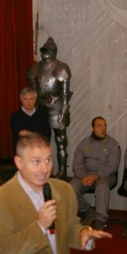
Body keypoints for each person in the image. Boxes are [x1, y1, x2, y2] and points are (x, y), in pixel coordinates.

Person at [27, 38, 72, 178]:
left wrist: (63, 111)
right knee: (41, 142)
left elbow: (64, 94)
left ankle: (62, 170)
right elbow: (33, 91)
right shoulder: (36, 68)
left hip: (56, 107)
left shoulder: (61, 68)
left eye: (47, 51)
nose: (45, 53)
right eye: (44, 50)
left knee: (60, 141)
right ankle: (43, 170)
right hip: (41, 107)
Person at [70, 117, 121, 230]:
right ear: (93, 128)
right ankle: (87, 210)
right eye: (99, 126)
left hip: (105, 176)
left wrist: (96, 176)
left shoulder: (112, 144)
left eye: (104, 126)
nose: (103, 129)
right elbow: (77, 164)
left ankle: (100, 219)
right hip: (85, 174)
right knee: (71, 188)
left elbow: (113, 166)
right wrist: (83, 176)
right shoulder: (83, 143)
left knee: (102, 186)